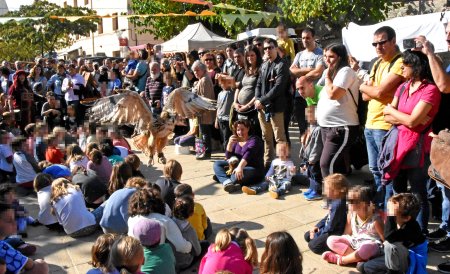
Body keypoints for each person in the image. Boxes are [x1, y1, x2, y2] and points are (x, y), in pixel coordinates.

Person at [382, 49, 440, 234]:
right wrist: (407, 119)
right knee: (397, 191)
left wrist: (398, 114)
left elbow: (412, 121)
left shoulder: (430, 90)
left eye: (404, 64)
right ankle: (398, 230)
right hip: (398, 145)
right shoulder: (402, 87)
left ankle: (420, 233)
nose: (401, 68)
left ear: (415, 66)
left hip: (417, 148)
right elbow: (387, 115)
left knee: (417, 192)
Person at [359, 26, 404, 209]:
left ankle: (390, 212)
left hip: (385, 125)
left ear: (393, 41)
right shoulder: (377, 63)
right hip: (370, 122)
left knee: (388, 172)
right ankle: (381, 207)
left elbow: (378, 91)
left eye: (382, 42)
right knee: (375, 170)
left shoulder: (399, 62)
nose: (378, 47)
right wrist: (372, 90)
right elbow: (367, 96)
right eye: (375, 43)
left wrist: (364, 86)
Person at [317, 43, 359, 177]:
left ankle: (332, 196)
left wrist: (328, 78)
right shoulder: (329, 72)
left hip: (341, 127)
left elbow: (333, 94)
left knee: (326, 164)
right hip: (326, 126)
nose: (327, 60)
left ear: (340, 57)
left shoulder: (345, 71)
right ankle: (339, 197)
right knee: (337, 167)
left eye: (331, 57)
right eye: (325, 56)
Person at [359, 193, 427, 274]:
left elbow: (389, 237)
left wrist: (391, 214)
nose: (389, 214)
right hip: (397, 259)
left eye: (393, 213)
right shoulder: (401, 222)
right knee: (365, 267)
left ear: (406, 218)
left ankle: (392, 272)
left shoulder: (412, 228)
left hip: (410, 264)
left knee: (390, 245)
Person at [322, 186, 384, 266]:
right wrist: (342, 243)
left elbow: (384, 240)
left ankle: (342, 260)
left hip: (369, 246)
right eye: (348, 200)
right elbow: (346, 234)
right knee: (331, 240)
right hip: (355, 243)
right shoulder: (351, 214)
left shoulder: (375, 220)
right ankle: (357, 259)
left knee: (367, 248)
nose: (348, 203)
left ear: (364, 203)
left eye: (352, 201)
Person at [255, 38, 290, 168]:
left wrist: (262, 100)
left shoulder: (282, 64)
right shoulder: (264, 65)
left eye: (270, 47)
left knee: (280, 138)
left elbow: (279, 87)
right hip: (263, 108)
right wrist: (258, 99)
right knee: (266, 138)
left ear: (276, 48)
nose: (267, 50)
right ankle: (267, 164)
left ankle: (284, 165)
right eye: (265, 48)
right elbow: (258, 84)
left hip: (276, 107)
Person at [127, 187, 193, 254]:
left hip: (136, 258)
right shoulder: (164, 221)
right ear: (158, 202)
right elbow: (182, 247)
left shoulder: (131, 219)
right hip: (160, 258)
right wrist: (190, 245)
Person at [290, 27, 325, 137]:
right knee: (302, 126)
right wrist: (310, 70)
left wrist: (301, 76)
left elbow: (318, 72)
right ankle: (304, 149)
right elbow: (292, 70)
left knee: (313, 125)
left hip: (313, 96)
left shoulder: (320, 53)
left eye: (308, 38)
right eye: (303, 38)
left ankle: (315, 150)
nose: (305, 40)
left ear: (314, 38)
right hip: (299, 95)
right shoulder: (299, 55)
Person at [213, 120, 264, 193]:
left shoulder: (254, 140)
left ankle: (223, 177)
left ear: (248, 128)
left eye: (242, 129)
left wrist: (240, 167)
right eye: (238, 130)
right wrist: (229, 144)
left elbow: (248, 154)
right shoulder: (236, 140)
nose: (240, 132)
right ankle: (228, 182)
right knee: (217, 164)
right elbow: (228, 157)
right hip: (237, 167)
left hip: (253, 168)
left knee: (235, 175)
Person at [304, 174, 348, 254]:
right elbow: (327, 217)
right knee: (307, 235)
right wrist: (317, 226)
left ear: (338, 190)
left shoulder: (338, 205)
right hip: (328, 228)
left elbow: (330, 227)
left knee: (313, 245)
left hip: (334, 232)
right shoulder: (334, 199)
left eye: (328, 189)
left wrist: (317, 235)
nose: (325, 191)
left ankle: (336, 247)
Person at [0, 203, 49, 274]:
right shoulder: (3, 248)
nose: (15, 223)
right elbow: (33, 265)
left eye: (14, 219)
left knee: (13, 240)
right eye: (9, 221)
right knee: (42, 265)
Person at [233, 45, 263, 137]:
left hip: (251, 109)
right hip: (240, 108)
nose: (250, 58)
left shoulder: (261, 70)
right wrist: (235, 102)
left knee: (253, 134)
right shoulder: (246, 69)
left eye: (252, 55)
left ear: (257, 56)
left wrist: (247, 105)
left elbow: (259, 91)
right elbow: (239, 87)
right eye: (248, 56)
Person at [191, 61, 215, 159]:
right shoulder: (202, 79)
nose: (195, 72)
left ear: (203, 70)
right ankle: (204, 151)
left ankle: (207, 152)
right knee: (203, 132)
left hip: (204, 111)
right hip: (202, 111)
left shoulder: (205, 80)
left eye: (197, 70)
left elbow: (204, 98)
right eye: (194, 71)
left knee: (205, 133)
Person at [171, 196, 202, 271]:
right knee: (206, 244)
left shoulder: (168, 221)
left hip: (171, 260)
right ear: (191, 213)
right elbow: (198, 252)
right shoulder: (189, 230)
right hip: (184, 262)